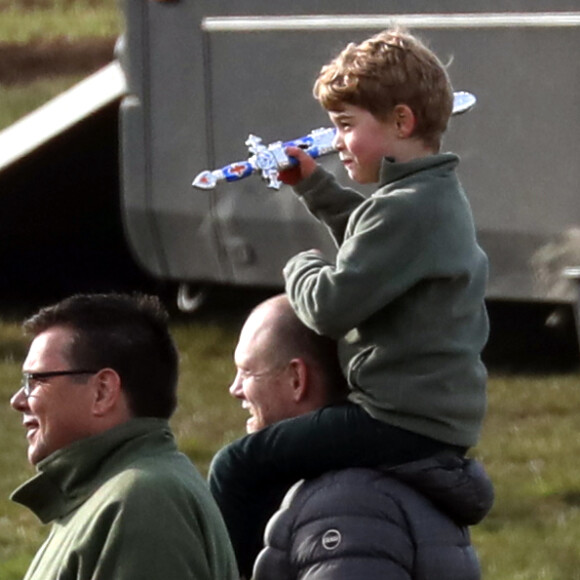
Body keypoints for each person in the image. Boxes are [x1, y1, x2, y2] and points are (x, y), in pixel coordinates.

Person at [210, 27, 490, 577]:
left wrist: (300, 265)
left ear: (402, 122)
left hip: (397, 419)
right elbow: (374, 246)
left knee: (240, 465)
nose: (336, 142)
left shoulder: (404, 209)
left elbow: (330, 307)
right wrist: (313, 185)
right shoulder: (427, 197)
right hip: (428, 415)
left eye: (345, 126)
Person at [218, 294, 493, 579]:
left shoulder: (344, 507)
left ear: (297, 379)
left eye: (247, 371)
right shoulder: (371, 486)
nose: (235, 389)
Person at [10, 292, 238, 580]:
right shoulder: (108, 497)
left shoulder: (145, 501)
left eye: (36, 380)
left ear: (103, 391)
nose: (18, 400)